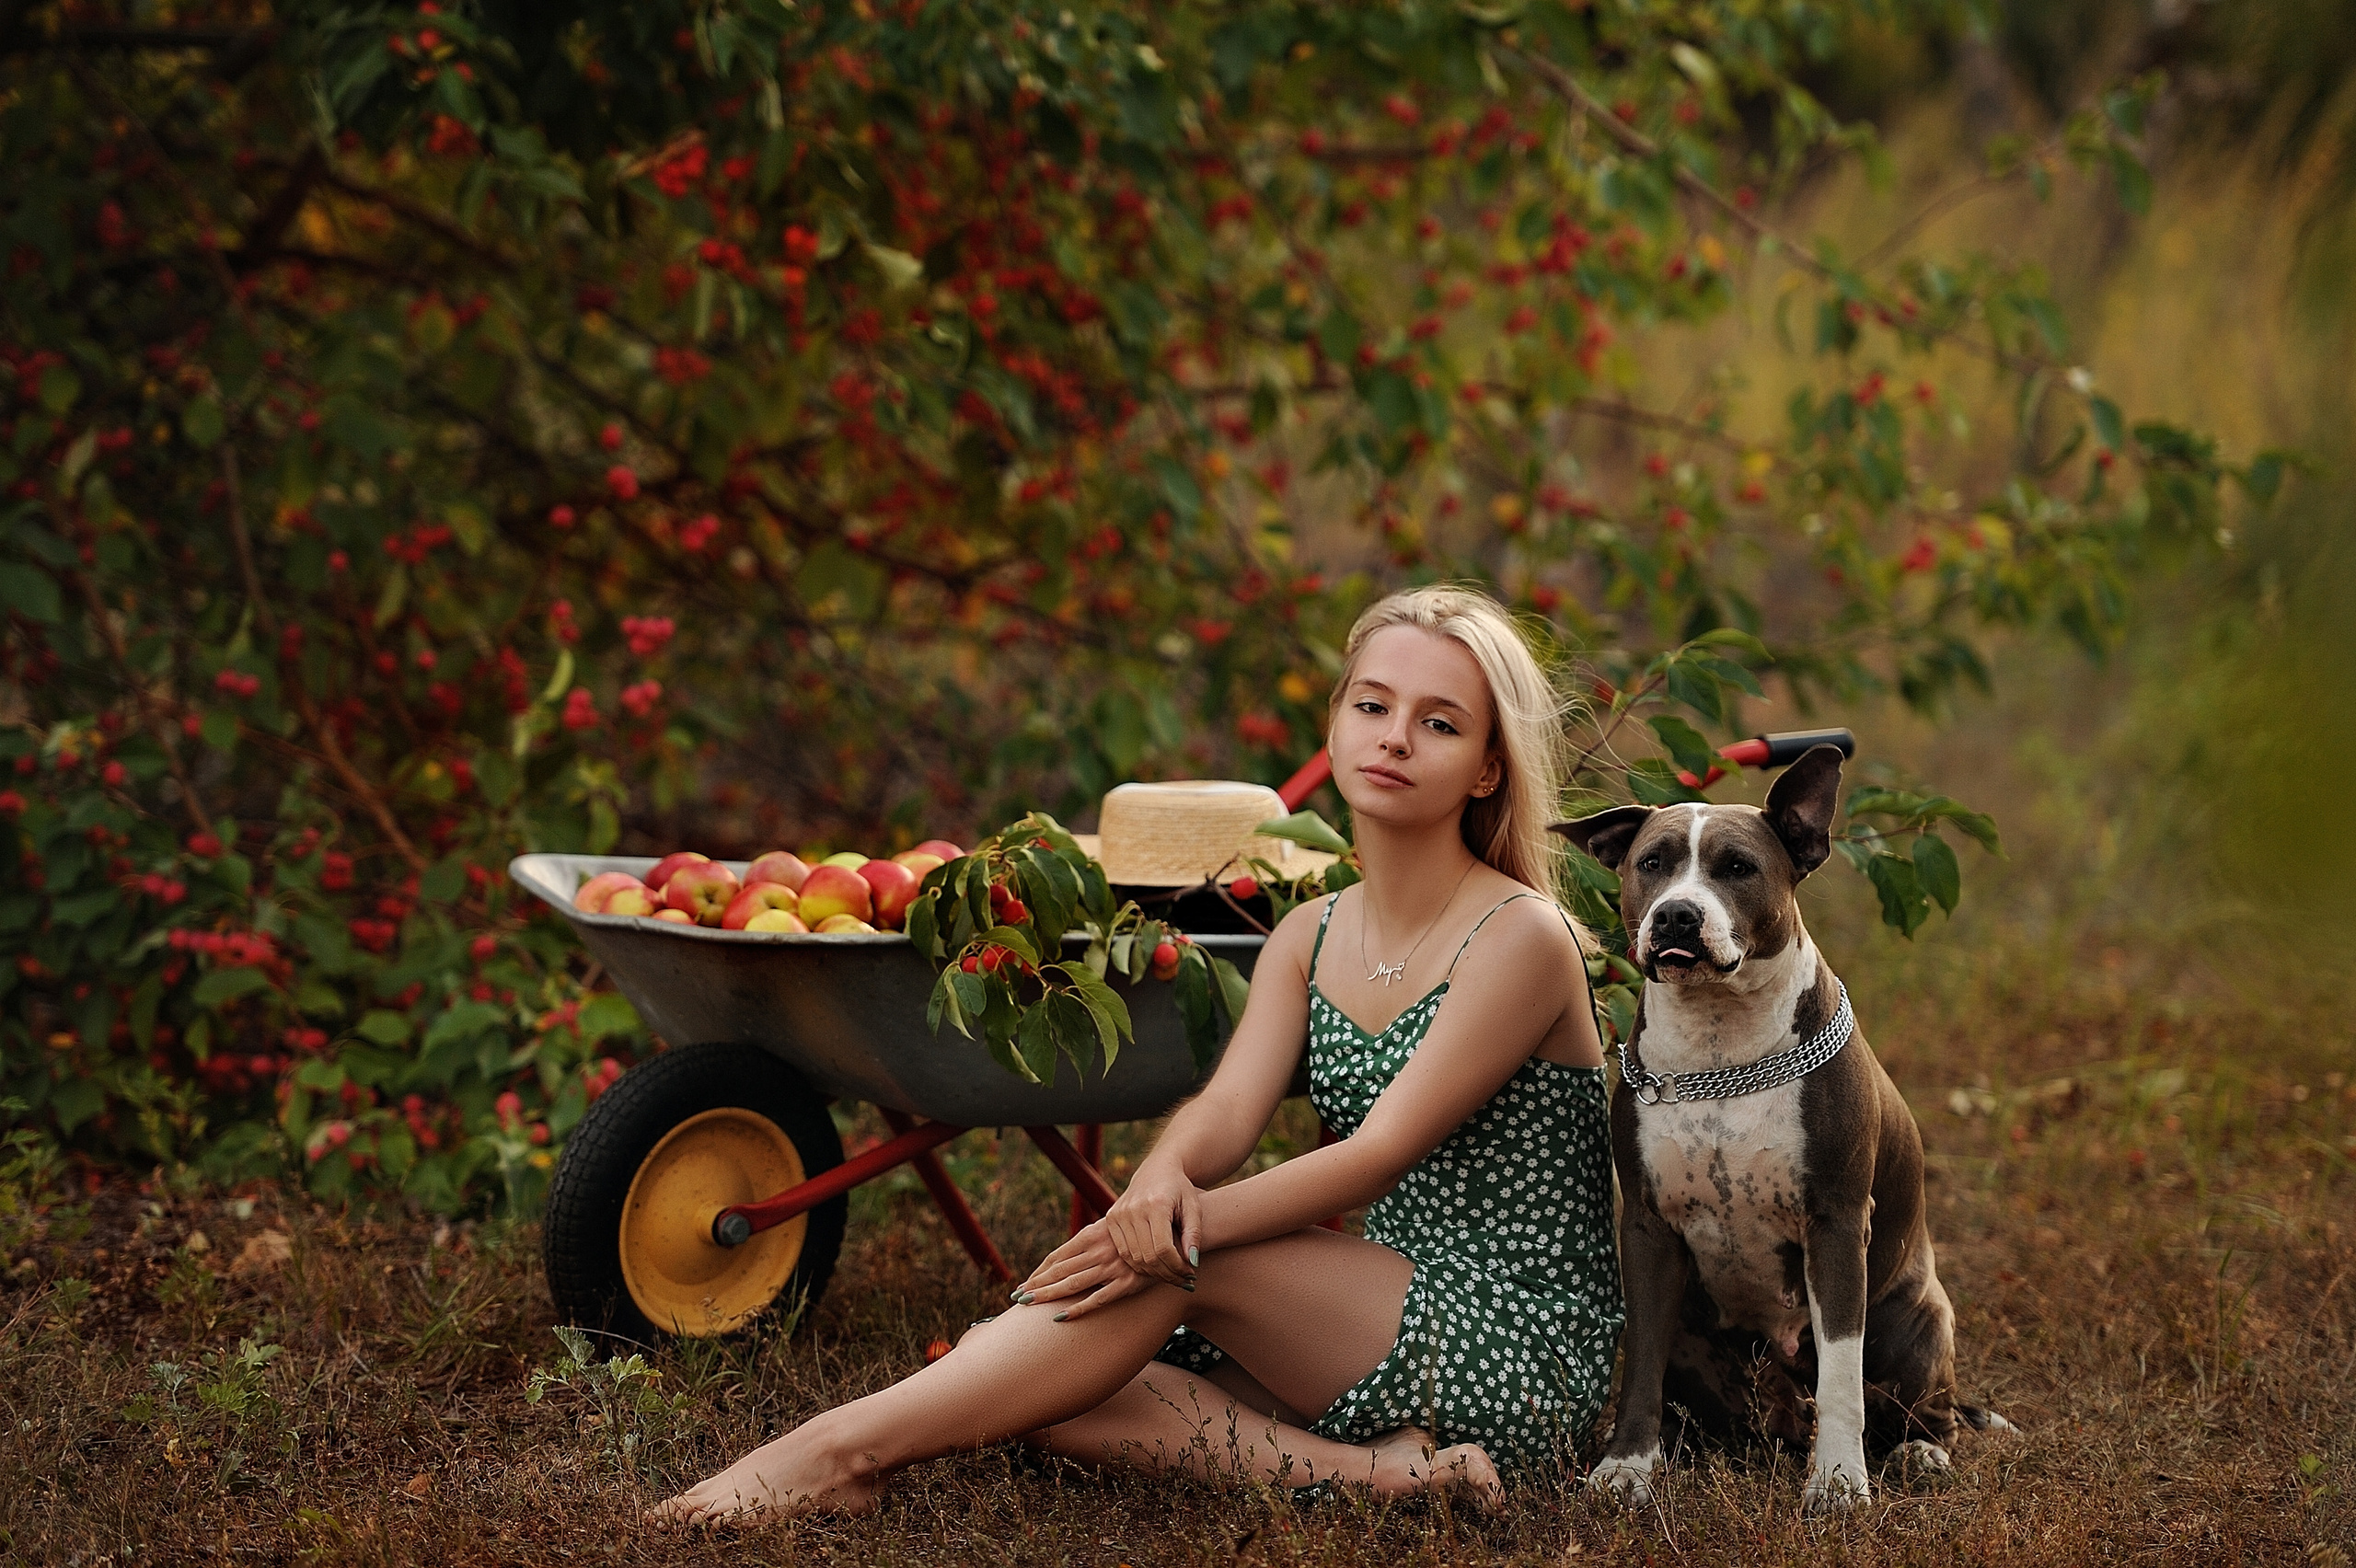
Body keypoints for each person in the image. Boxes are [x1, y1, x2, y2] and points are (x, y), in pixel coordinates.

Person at [653, 584, 1622, 1526]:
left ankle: (834, 1454)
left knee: (1155, 1274)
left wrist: (1161, 1235)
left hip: (1518, 1345)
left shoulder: (1518, 938)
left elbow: (1379, 1153)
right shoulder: (1312, 933)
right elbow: (1224, 1113)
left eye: (1440, 723)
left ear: (1488, 769)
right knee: (1039, 1384)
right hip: (1372, 1313)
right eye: (1372, 705)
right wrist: (1157, 1181)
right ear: (1336, 723)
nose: (1395, 736)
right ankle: (1385, 1477)